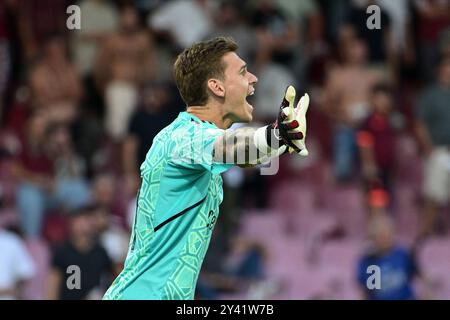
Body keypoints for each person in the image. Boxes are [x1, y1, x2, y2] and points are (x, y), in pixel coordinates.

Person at [103, 36, 310, 300]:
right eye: (244, 72)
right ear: (217, 87)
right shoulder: (181, 138)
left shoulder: (198, 144)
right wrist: (276, 135)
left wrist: (276, 142)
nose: (254, 78)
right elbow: (230, 147)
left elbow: (239, 154)